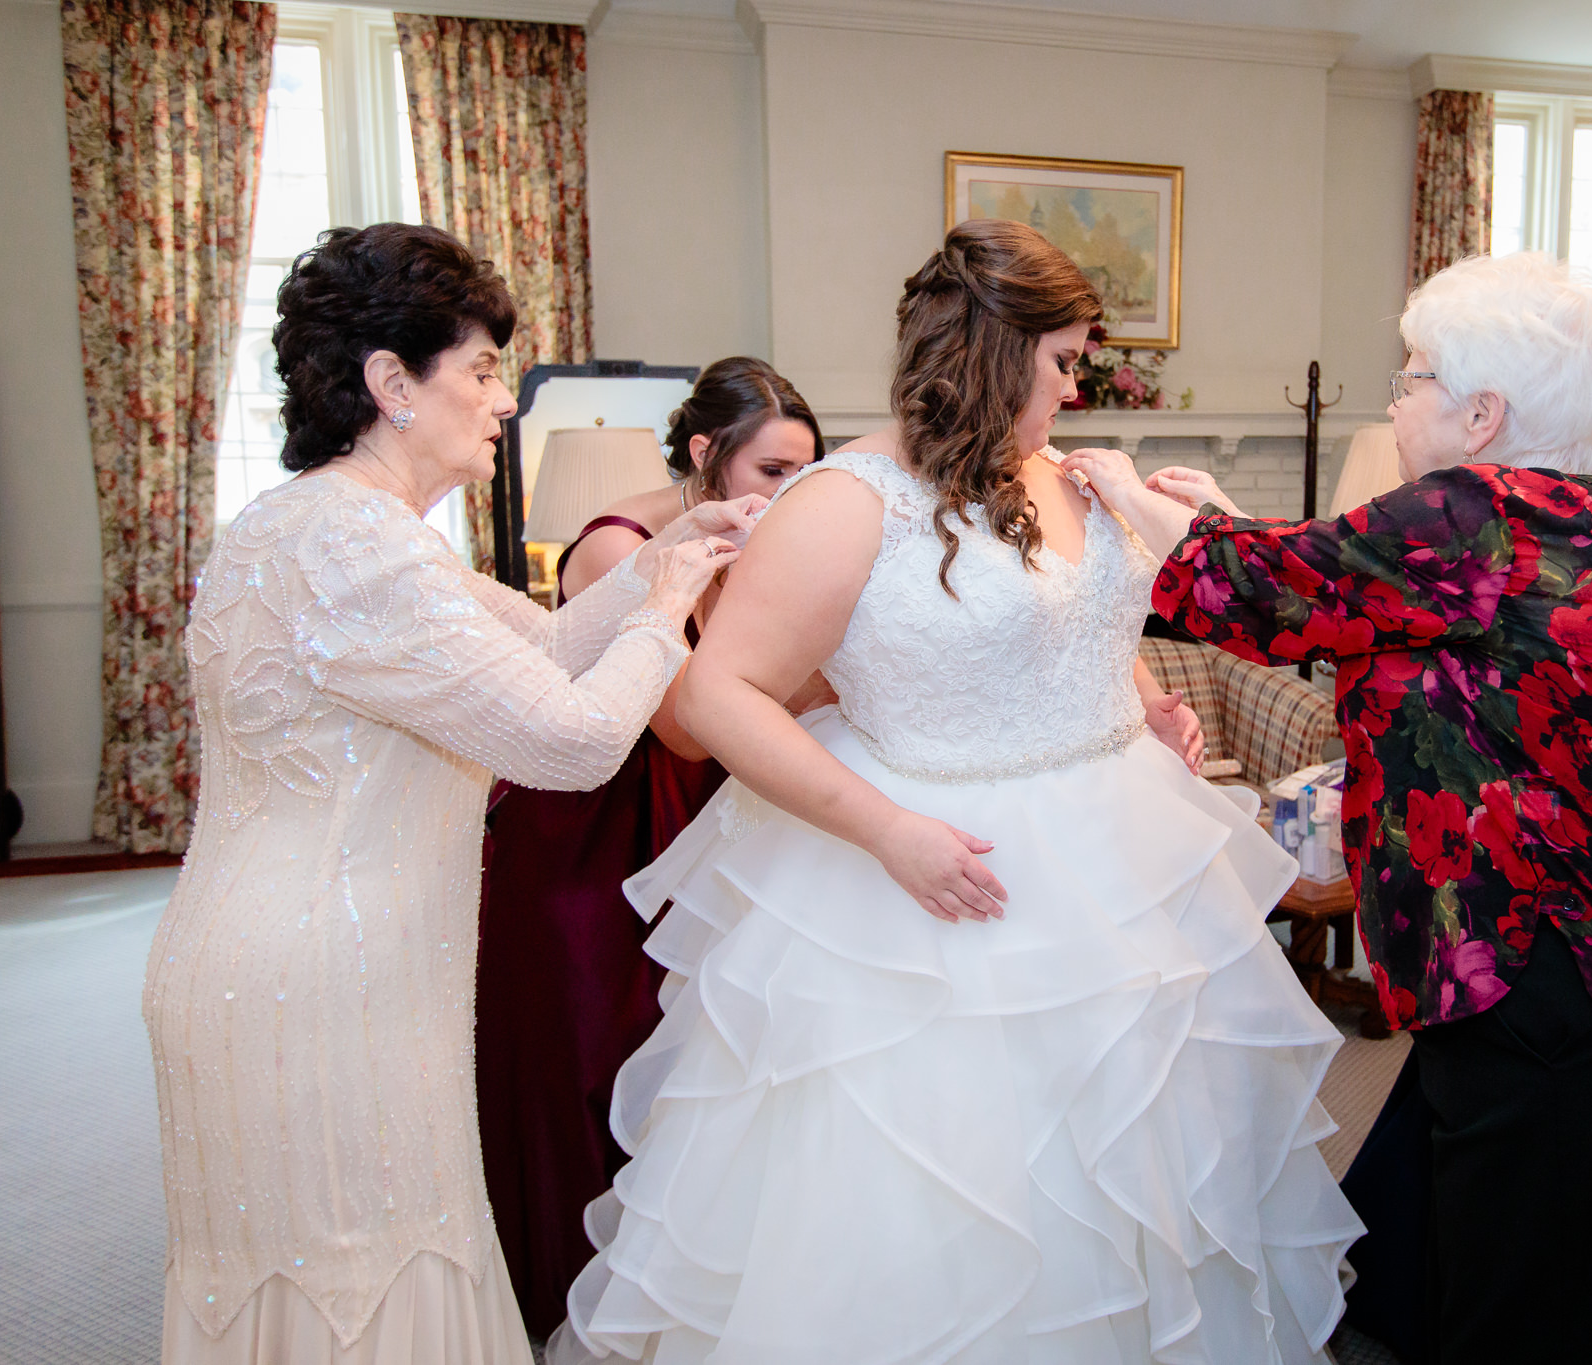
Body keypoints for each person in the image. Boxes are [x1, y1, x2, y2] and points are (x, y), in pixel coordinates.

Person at [549, 219, 1361, 1364]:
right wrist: (887, 834)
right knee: (957, 1190)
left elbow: (1065, 617)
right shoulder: (844, 503)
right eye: (1063, 359)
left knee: (1142, 1157)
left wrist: (1142, 702)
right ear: (994, 350)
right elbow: (721, 695)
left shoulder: (1064, 476)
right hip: (933, 867)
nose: (1075, 387)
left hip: (1116, 864)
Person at [1065, 252, 1592, 1365]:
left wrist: (1120, 489)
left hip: (1574, 989)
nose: (1394, 397)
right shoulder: (1578, 516)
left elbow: (1254, 596)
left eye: (1414, 374)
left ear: (1481, 414)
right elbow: (1360, 601)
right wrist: (1220, 521)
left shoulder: (1471, 511)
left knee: (1528, 1321)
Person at [146, 223, 759, 1365]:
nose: (501, 402)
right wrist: (671, 596)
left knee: (335, 1268)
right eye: (479, 371)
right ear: (391, 384)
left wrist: (672, 544)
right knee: (360, 1271)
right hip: (323, 979)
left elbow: (554, 649)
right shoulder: (360, 551)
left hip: (280, 953)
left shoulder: (334, 528)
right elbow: (571, 740)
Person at [475, 356, 825, 1338]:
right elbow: (679, 726)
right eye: (771, 472)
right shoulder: (615, 548)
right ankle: (567, 1301)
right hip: (594, 836)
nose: (789, 496)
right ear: (705, 455)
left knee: (694, 1063)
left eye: (806, 475)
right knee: (595, 1058)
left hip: (703, 821)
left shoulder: (763, 547)